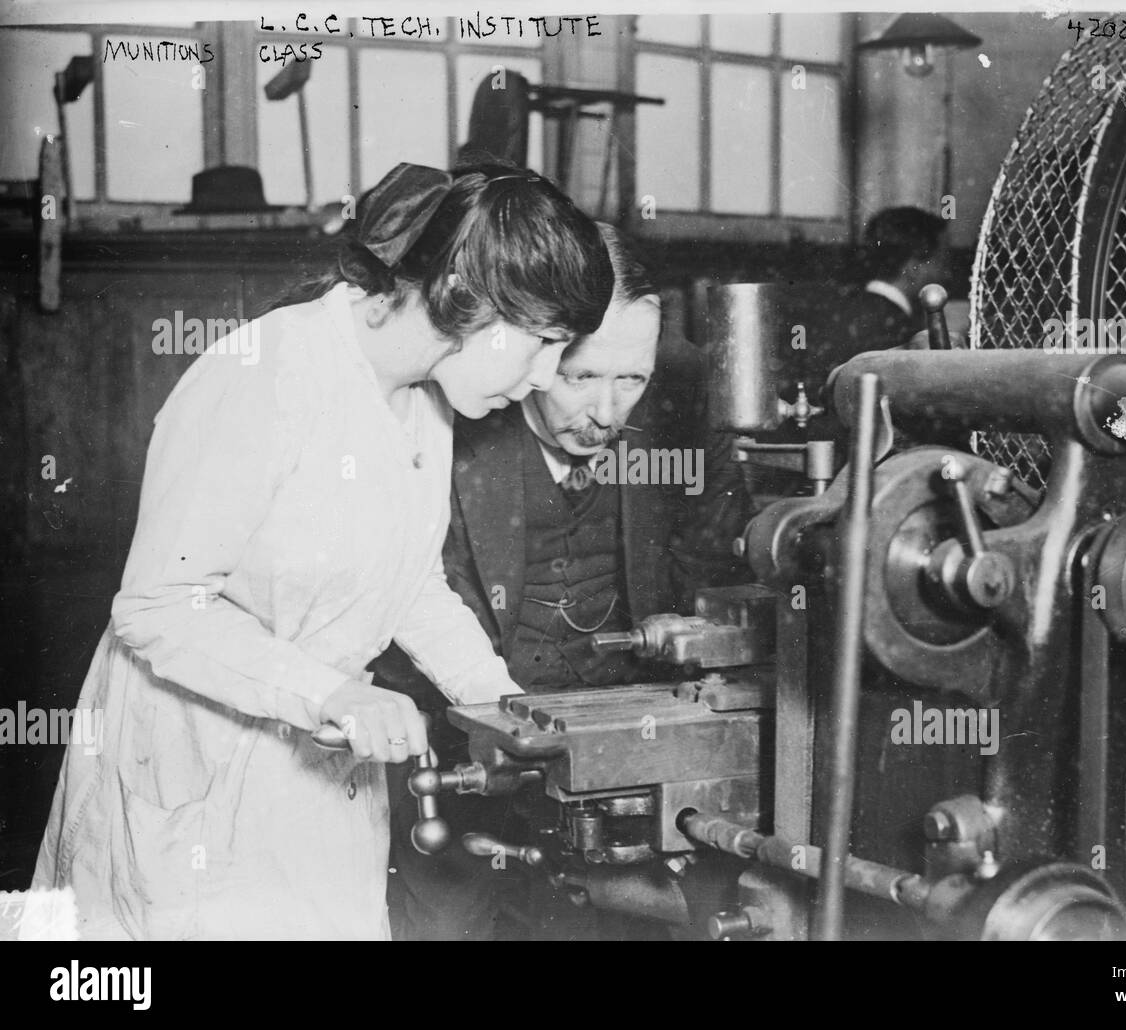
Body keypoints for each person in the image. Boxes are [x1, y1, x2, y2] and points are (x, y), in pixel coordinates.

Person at [31, 161, 614, 940]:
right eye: (544, 342)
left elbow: (407, 578)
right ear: (469, 300)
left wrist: (496, 700)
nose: (546, 376)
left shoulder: (424, 402)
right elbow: (159, 607)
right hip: (192, 761)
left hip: (316, 764)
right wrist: (331, 695)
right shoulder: (266, 375)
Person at [374, 224, 752, 939]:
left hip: (612, 770)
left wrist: (696, 630)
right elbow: (412, 611)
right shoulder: (445, 424)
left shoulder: (689, 412)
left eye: (631, 380)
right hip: (460, 752)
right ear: (536, 348)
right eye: (582, 377)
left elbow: (717, 572)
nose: (608, 414)